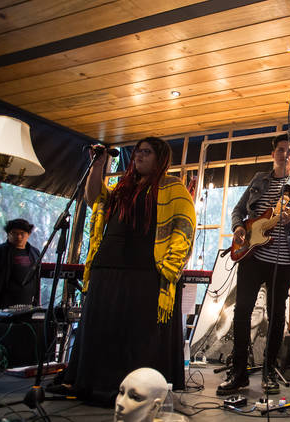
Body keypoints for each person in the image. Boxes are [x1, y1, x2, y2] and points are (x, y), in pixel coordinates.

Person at [58, 137, 196, 402]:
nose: (139, 157)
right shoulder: (123, 186)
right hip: (107, 267)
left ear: (161, 158)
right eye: (137, 152)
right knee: (103, 329)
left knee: (137, 337)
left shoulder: (172, 187)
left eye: (146, 152)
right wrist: (98, 165)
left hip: (145, 271)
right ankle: (94, 384)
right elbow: (94, 198)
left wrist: (169, 265)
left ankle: (136, 389)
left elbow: (185, 226)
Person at [217, 134, 290, 396]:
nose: (284, 154)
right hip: (252, 256)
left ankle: (269, 370)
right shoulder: (259, 179)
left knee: (275, 316)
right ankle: (238, 373)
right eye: (280, 150)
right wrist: (238, 227)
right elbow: (238, 210)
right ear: (273, 154)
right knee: (241, 313)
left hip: (283, 263)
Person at [0, 218, 41, 313]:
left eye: (22, 233)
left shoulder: (35, 253)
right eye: (14, 233)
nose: (19, 237)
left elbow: (37, 279)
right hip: (0, 309)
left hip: (27, 308)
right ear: (8, 234)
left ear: (28, 234)